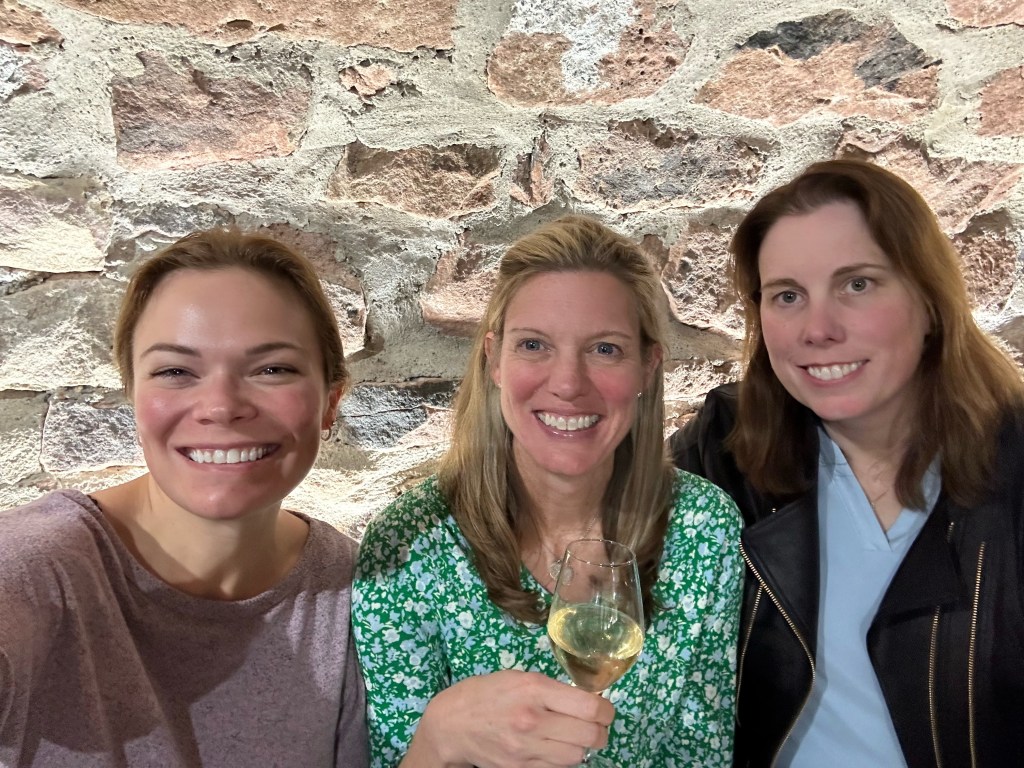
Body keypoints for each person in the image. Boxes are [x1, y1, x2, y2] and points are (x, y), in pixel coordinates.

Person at [353, 215, 743, 768]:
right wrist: (439, 738)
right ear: (494, 360)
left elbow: (699, 753)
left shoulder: (704, 528)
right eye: (534, 344)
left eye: (605, 349)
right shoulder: (408, 543)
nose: (566, 384)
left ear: (647, 368)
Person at [670, 159, 1024, 767]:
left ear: (930, 301)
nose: (818, 329)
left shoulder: (1014, 467)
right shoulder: (725, 446)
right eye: (787, 296)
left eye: (857, 284)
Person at [0, 230, 369, 767]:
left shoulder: (358, 592)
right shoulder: (31, 570)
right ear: (134, 397)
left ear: (330, 402)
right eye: (175, 371)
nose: (220, 406)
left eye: (272, 369)